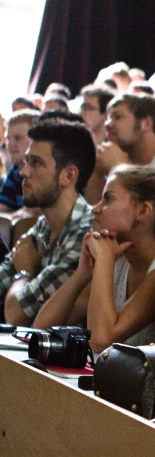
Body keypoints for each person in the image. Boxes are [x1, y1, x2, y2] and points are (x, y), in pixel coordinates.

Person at [33, 166, 155, 352]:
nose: (95, 209)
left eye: (108, 198)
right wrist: (82, 274)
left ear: (143, 211)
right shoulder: (121, 259)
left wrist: (103, 259)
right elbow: (41, 329)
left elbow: (100, 342)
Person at [0, 120, 95, 325]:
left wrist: (24, 272)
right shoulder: (44, 225)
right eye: (26, 161)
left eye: (36, 163)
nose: (23, 172)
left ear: (68, 176)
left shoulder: (86, 235)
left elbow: (16, 314)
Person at [0, 110, 39, 212]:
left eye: (18, 138)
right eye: (8, 139)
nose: (10, 144)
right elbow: (4, 204)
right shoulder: (15, 171)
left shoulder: (41, 173)